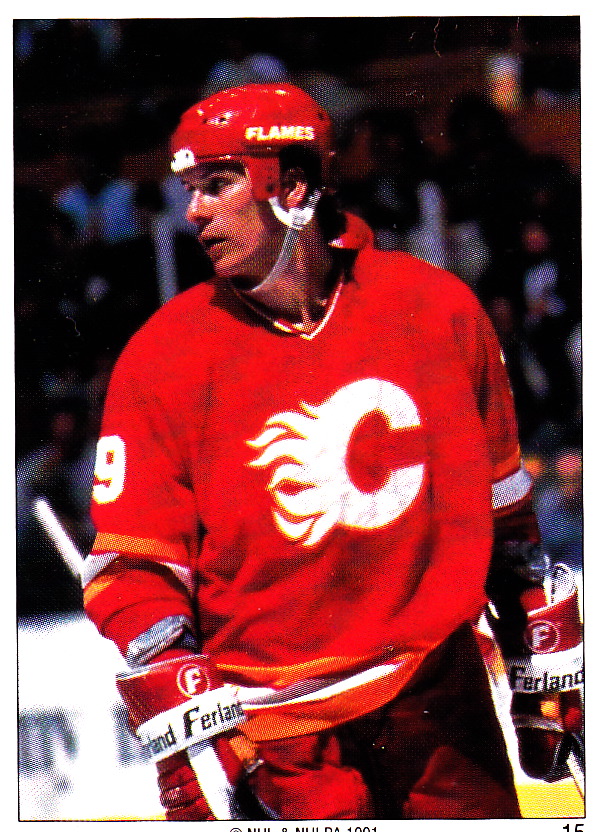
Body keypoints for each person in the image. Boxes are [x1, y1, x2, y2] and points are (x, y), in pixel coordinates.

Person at [83, 83, 582, 820]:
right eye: (190, 190)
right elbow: (131, 571)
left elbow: (505, 518)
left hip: (438, 704)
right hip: (276, 739)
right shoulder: (162, 359)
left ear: (292, 186)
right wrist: (179, 694)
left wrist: (538, 647)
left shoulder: (435, 310)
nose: (195, 211)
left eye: (218, 184)